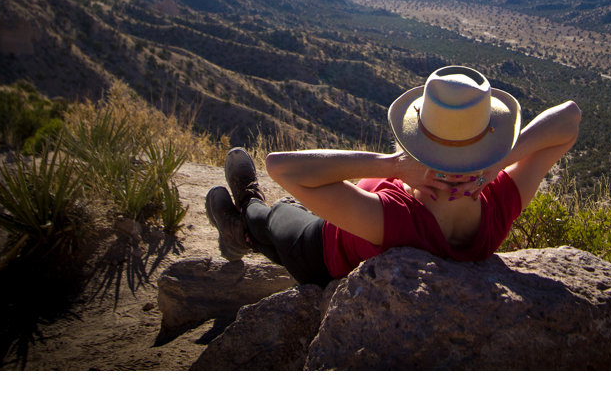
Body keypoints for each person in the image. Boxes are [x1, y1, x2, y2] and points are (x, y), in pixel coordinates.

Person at [205, 64, 581, 286]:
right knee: (291, 207)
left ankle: (244, 222)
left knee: (272, 218)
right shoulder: (497, 202)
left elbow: (280, 166)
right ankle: (251, 229)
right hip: (343, 210)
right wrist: (500, 161)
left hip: (319, 249)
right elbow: (570, 117)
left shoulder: (398, 219)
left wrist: (393, 166)